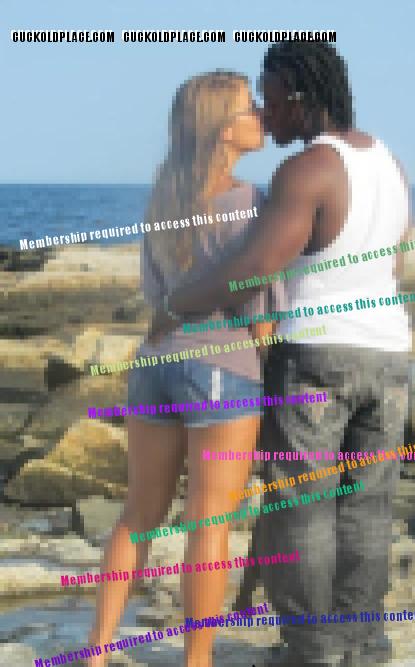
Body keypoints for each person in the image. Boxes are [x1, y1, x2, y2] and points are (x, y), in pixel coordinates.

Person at [159, 42, 412, 666]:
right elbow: (396, 263)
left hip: (317, 357)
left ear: (298, 96)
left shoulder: (307, 171)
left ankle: (312, 650)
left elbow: (255, 268)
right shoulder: (388, 162)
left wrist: (178, 302)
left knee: (304, 510)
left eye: (270, 99)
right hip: (388, 356)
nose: (266, 114)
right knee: (367, 508)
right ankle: (362, 644)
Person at [87, 70, 277, 667]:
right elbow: (259, 307)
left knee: (138, 514)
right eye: (250, 108)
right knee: (209, 525)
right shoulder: (252, 203)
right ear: (223, 127)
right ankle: (197, 661)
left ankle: (97, 650)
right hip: (222, 366)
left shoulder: (162, 198)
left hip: (155, 366)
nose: (262, 114)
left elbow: (154, 292)